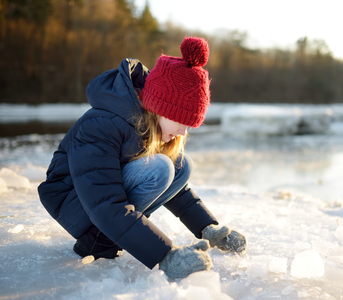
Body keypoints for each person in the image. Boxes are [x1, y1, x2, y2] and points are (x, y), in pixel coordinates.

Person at [38, 37, 247, 279]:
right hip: (73, 202)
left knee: (180, 165)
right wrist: (165, 256)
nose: (183, 131)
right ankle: (97, 241)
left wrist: (208, 228)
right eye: (182, 121)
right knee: (160, 168)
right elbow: (104, 202)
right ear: (163, 107)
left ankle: (110, 235)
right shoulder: (102, 124)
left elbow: (178, 192)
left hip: (97, 203)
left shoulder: (144, 124)